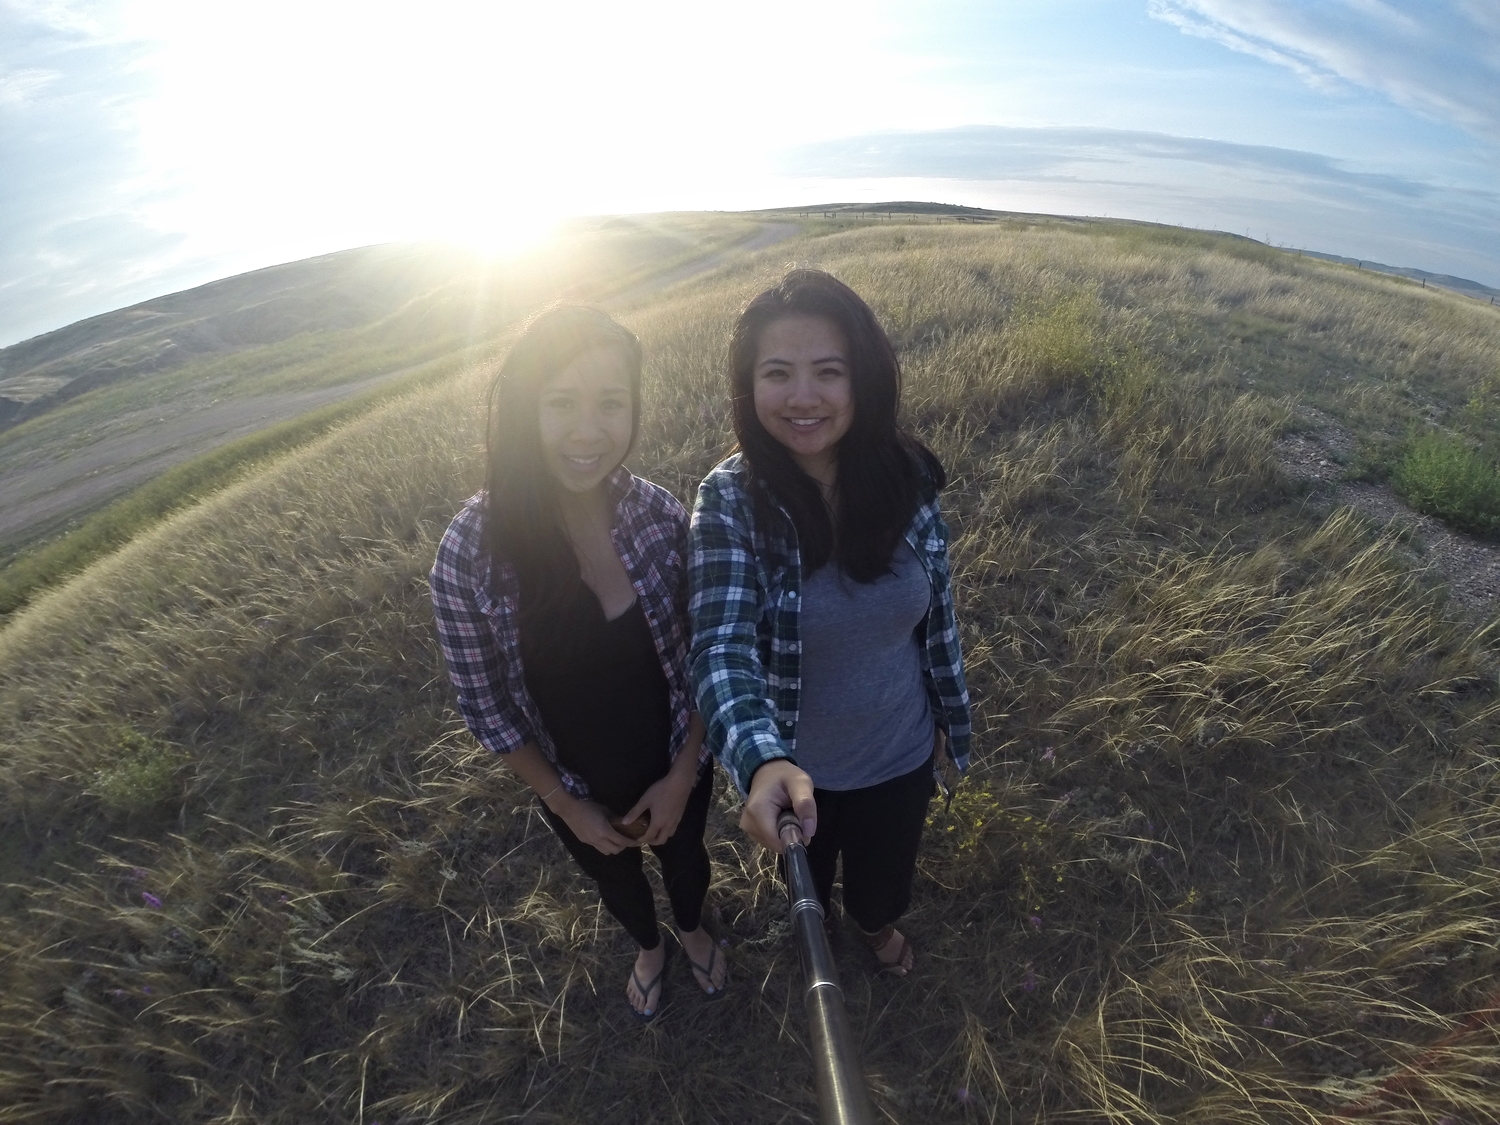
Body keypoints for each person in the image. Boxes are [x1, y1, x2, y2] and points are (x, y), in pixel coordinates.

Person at [430, 306, 727, 1022]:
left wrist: (684, 774)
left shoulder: (657, 516)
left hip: (673, 760)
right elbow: (485, 705)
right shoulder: (469, 552)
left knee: (687, 861)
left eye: (611, 403)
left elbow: (703, 653)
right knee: (614, 879)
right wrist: (565, 801)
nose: (588, 430)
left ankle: (689, 927)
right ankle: (649, 947)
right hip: (572, 782)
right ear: (525, 410)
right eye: (561, 403)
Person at [689, 269, 971, 975]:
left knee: (883, 882)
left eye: (828, 371)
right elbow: (720, 645)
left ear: (863, 379)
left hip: (901, 753)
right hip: (795, 776)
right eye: (777, 373)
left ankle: (875, 928)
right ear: (747, 387)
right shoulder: (728, 501)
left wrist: (940, 706)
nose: (804, 397)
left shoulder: (905, 475)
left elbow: (932, 613)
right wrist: (762, 759)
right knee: (805, 878)